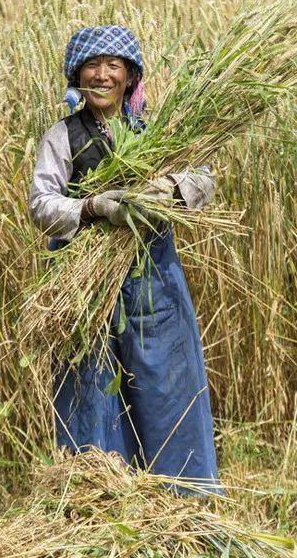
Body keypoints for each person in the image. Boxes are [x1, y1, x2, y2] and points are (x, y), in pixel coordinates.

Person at [28, 25, 220, 493]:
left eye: (112, 65)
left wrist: (170, 188)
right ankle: (97, 495)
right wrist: (92, 207)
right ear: (77, 76)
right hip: (84, 283)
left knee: (166, 382)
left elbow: (205, 177)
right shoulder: (62, 136)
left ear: (130, 74)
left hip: (153, 276)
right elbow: (40, 204)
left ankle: (181, 495)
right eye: (91, 66)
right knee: (90, 383)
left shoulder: (157, 132)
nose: (102, 75)